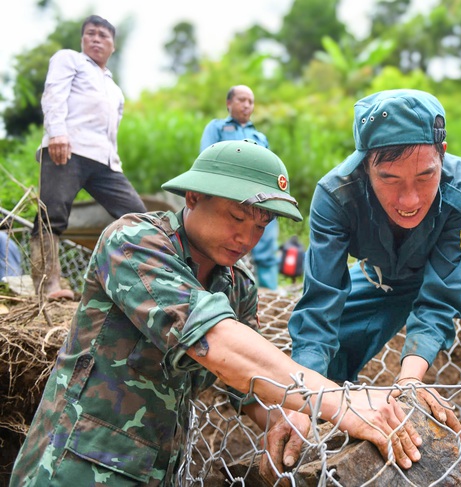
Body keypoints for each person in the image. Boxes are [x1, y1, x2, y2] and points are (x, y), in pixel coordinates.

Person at [10, 140, 422, 486]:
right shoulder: (134, 242)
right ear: (193, 198)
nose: (246, 237)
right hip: (74, 465)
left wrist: (285, 421)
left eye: (260, 226)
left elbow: (247, 385)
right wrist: (343, 402)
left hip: (157, 471)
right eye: (237, 217)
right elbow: (219, 345)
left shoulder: (237, 285)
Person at [270, 89, 461, 463]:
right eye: (389, 179)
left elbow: (440, 296)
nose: (409, 200)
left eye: (426, 176)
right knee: (328, 365)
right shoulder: (335, 196)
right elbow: (321, 301)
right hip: (381, 280)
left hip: (449, 274)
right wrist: (303, 398)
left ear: (442, 154)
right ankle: (334, 425)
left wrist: (409, 381)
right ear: (364, 166)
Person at [30, 14, 147, 301]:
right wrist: (57, 133)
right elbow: (53, 94)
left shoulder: (114, 88)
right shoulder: (69, 59)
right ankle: (48, 286)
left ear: (113, 46)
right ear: (83, 39)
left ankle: (141, 283)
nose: (96, 39)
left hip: (104, 161)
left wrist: (115, 162)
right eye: (91, 34)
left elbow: (112, 132)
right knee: (52, 214)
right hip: (67, 149)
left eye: (103, 35)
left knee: (138, 215)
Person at [200, 85, 280, 290]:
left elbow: (270, 170)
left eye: (250, 101)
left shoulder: (260, 137)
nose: (246, 105)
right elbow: (207, 158)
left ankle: (269, 292)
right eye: (241, 100)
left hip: (260, 198)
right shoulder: (217, 128)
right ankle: (222, 288)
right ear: (229, 103)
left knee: (267, 242)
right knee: (226, 244)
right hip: (228, 197)